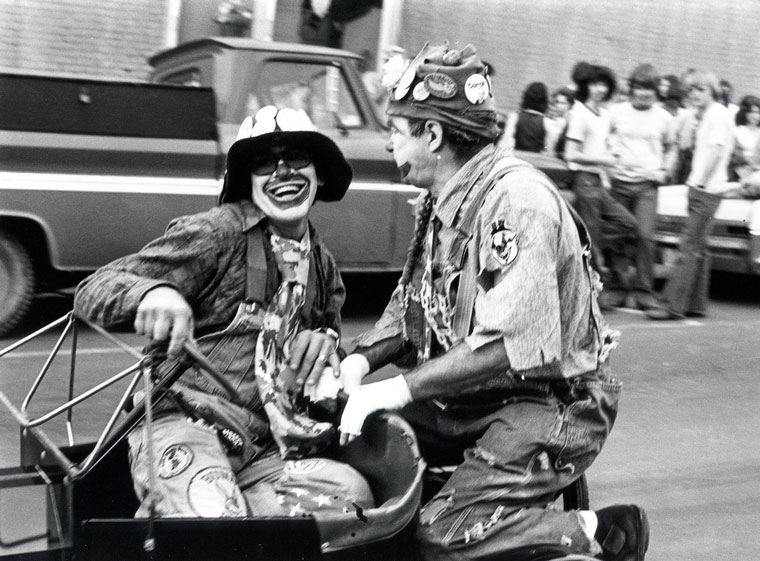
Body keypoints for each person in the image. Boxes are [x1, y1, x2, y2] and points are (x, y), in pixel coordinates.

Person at [314, 42, 649, 561]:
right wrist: (360, 361)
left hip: (553, 402)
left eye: (396, 133)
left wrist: (396, 390)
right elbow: (414, 302)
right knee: (340, 442)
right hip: (476, 397)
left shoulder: (516, 202)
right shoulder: (444, 197)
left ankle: (593, 531)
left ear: (433, 134)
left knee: (441, 533)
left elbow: (509, 346)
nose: (388, 146)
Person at [72, 106, 377, 524]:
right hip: (184, 425)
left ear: (320, 174)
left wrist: (326, 341)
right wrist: (153, 292)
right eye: (265, 164)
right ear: (246, 182)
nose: (283, 173)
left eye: (298, 159)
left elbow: (328, 350)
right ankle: (202, 516)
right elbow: (95, 288)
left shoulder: (322, 266)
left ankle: (190, 519)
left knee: (352, 497)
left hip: (262, 445)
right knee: (215, 526)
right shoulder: (216, 234)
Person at [647, 72, 735, 320]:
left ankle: (671, 305)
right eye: (692, 90)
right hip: (710, 189)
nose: (694, 94)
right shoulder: (711, 115)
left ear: (711, 91)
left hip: (705, 189)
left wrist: (700, 183)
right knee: (700, 248)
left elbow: (716, 152)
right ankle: (696, 304)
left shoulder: (717, 116)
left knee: (688, 246)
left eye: (700, 89)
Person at [564, 62, 639, 309]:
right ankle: (594, 295)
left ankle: (592, 270)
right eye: (595, 84)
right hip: (585, 181)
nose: (600, 89)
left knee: (629, 224)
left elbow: (605, 146)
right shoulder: (579, 113)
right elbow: (571, 153)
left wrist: (612, 158)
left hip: (599, 182)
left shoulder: (605, 116)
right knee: (592, 239)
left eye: (604, 85)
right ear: (587, 86)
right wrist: (602, 160)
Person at [607, 64, 677, 311]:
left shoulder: (664, 118)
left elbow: (672, 148)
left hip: (647, 186)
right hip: (619, 183)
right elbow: (605, 140)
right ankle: (616, 287)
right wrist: (607, 166)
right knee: (618, 237)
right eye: (640, 88)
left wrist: (664, 171)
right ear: (632, 88)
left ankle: (643, 290)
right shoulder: (616, 112)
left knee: (646, 236)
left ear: (656, 91)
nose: (644, 94)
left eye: (649, 90)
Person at [501, 81, 552, 153]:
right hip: (537, 160)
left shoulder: (514, 117)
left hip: (517, 157)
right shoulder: (547, 122)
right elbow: (549, 149)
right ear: (545, 101)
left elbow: (505, 141)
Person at [729, 95, 760, 181]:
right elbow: (734, 156)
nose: (755, 116)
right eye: (751, 112)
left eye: (758, 112)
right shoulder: (737, 131)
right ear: (744, 112)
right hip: (740, 173)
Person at [548, 86, 575, 158]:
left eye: (563, 103)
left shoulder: (571, 120)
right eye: (557, 102)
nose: (558, 105)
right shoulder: (555, 119)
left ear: (570, 105)